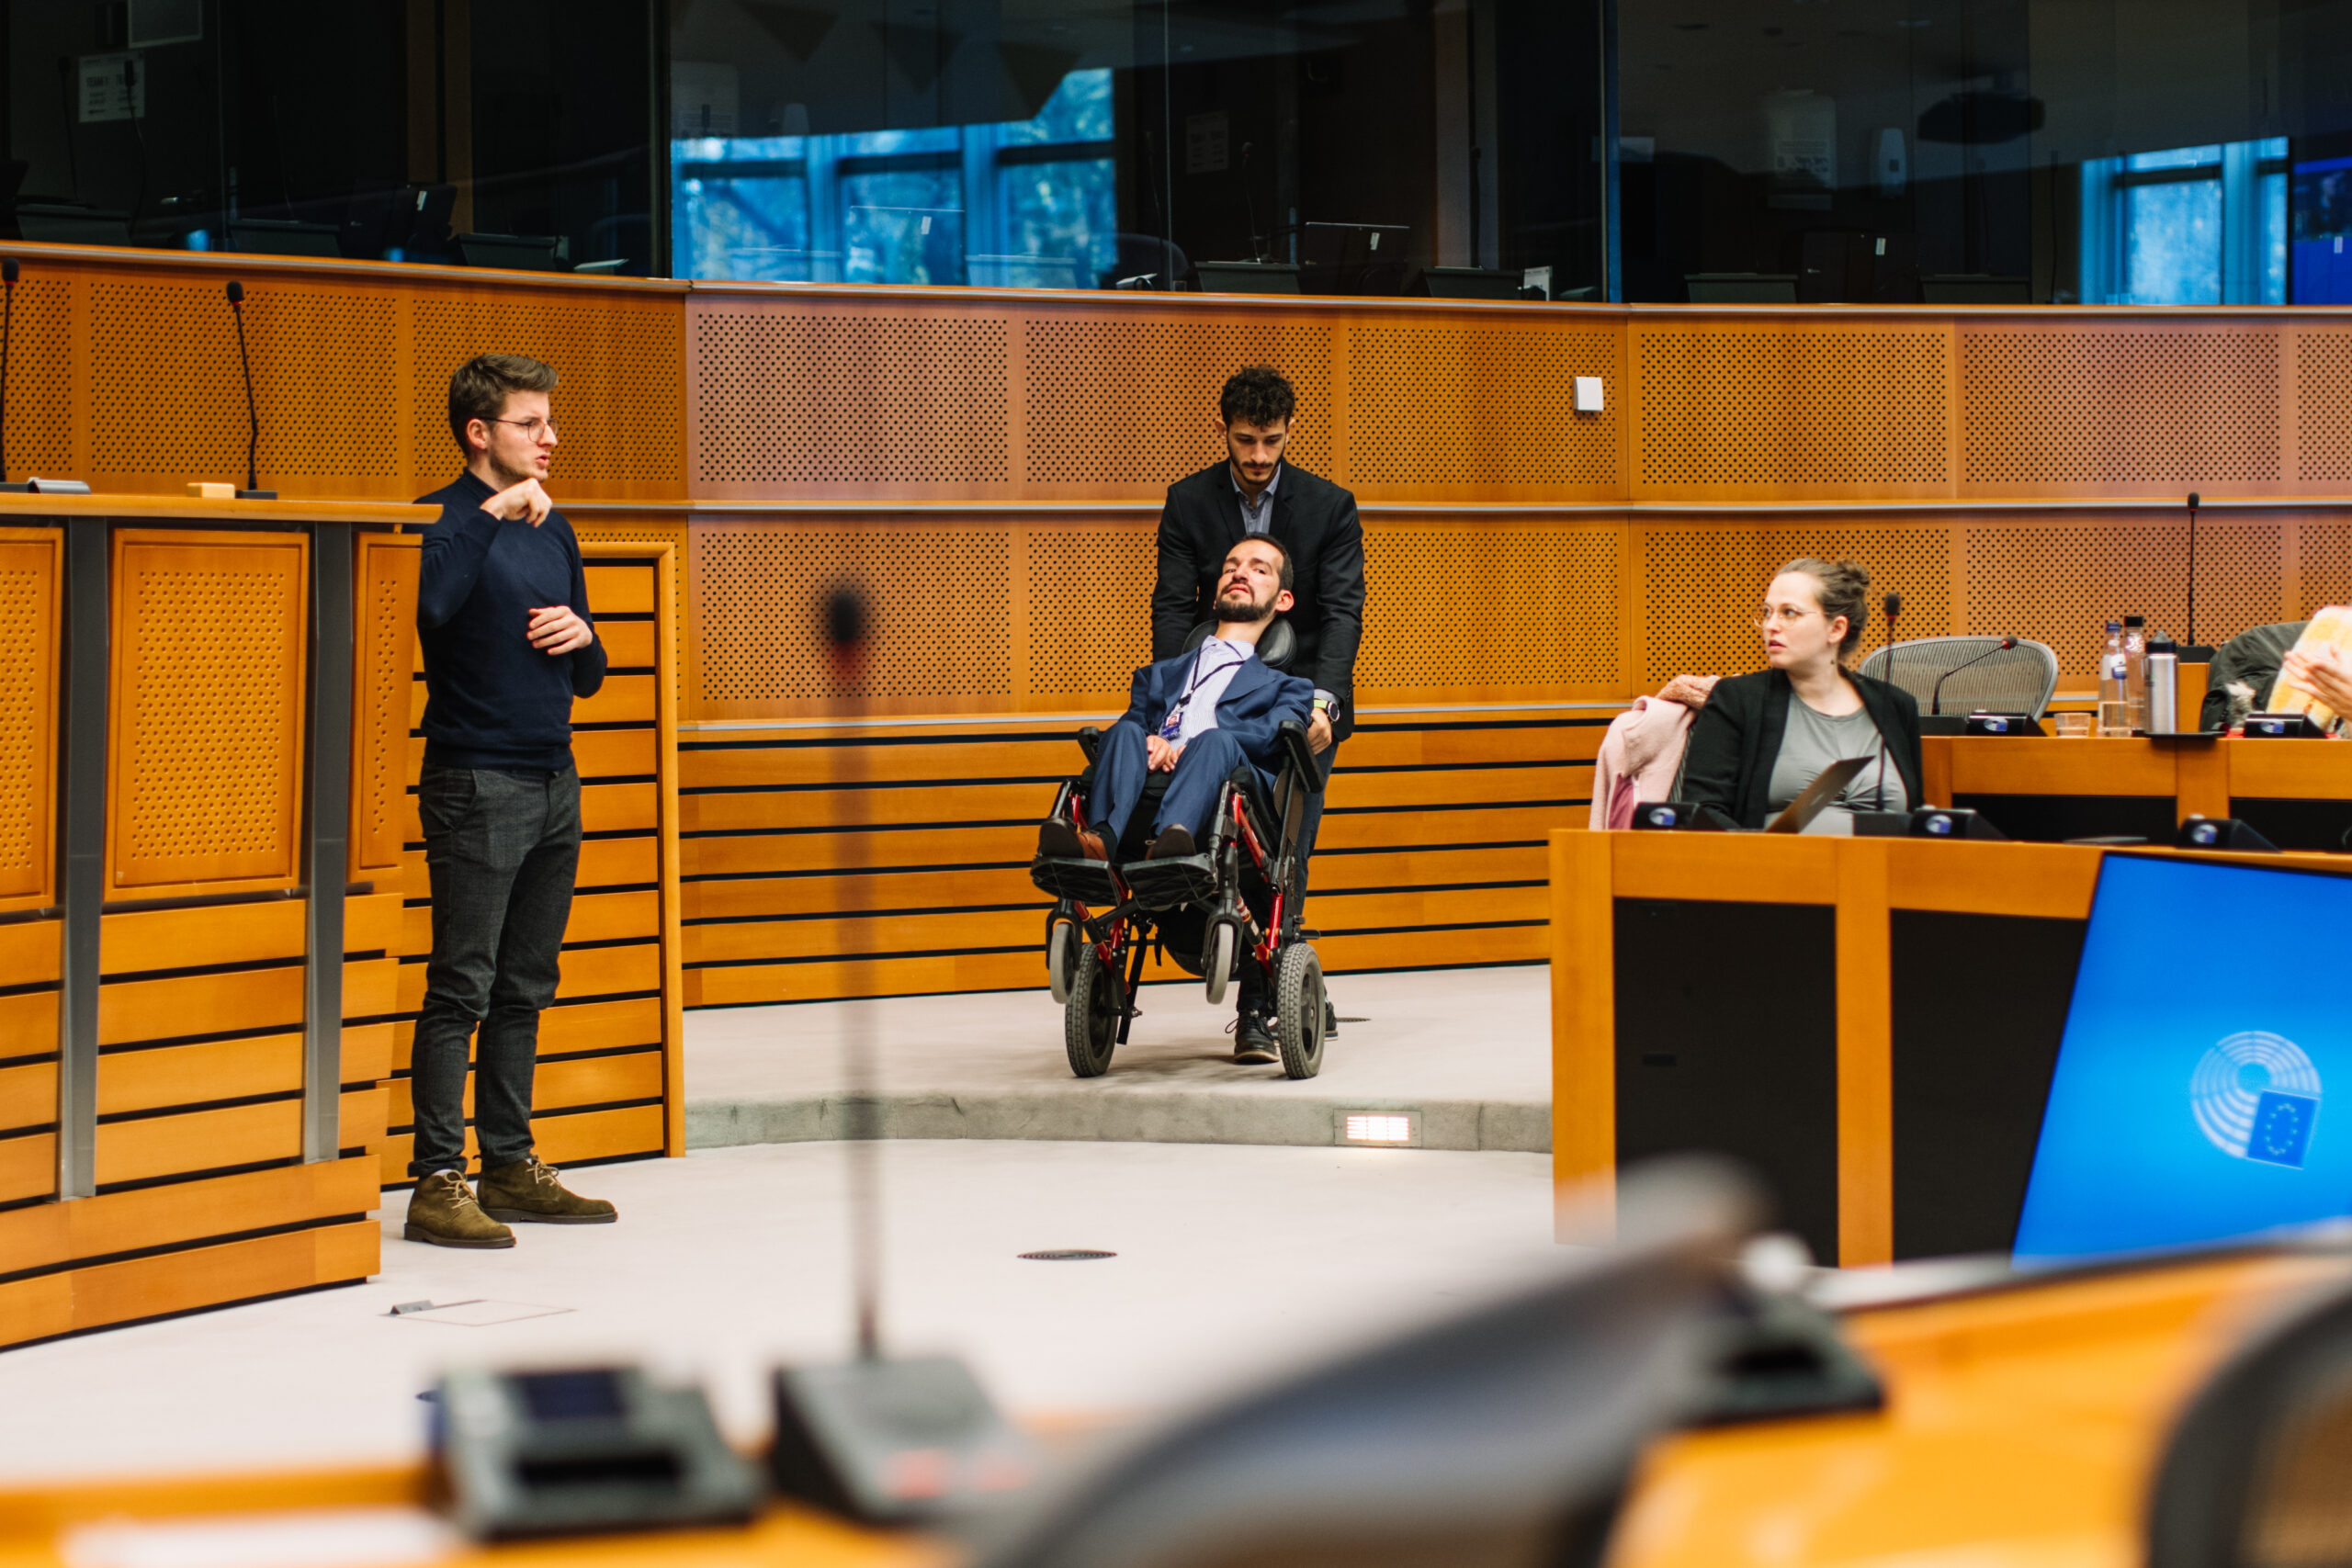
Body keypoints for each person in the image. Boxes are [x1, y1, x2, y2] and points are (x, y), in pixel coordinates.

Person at [405, 354, 617, 1248]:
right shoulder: (441, 521)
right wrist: (493, 514)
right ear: (479, 432)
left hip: (552, 778)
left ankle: (510, 1163)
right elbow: (433, 609)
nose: (550, 439)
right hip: (473, 782)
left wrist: (585, 634)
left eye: (549, 422)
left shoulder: (554, 530)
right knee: (463, 984)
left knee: (527, 984)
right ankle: (436, 1182)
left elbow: (592, 677)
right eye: (532, 424)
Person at [1149, 367, 1364, 1051]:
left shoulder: (1330, 506)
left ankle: (1258, 1007)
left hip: (1294, 700)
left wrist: (1324, 702)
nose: (1260, 457)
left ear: (1289, 430)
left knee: (1284, 852)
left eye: (1272, 440)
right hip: (1211, 693)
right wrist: (1168, 704)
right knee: (1213, 837)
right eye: (1246, 441)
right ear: (1224, 430)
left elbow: (1342, 615)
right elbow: (1169, 608)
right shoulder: (1188, 502)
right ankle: (1292, 981)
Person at [1044, 536, 1315, 1060]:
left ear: (1282, 599)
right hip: (1144, 793)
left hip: (1226, 792)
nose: (1240, 573)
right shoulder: (1158, 676)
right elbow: (1129, 734)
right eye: (1231, 565)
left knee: (1214, 740)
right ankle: (1096, 845)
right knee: (1120, 733)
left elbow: (1267, 742)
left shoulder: (1288, 686)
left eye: (1259, 569)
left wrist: (1184, 746)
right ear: (1216, 589)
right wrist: (1147, 739)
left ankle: (1177, 842)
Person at [1680, 559, 1923, 833]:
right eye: (1767, 612)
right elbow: (1703, 811)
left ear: (1836, 629)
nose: (1770, 625)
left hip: (1883, 870)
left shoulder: (1896, 705)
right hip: (1775, 869)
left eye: (1789, 613)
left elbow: (1917, 820)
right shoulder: (1737, 700)